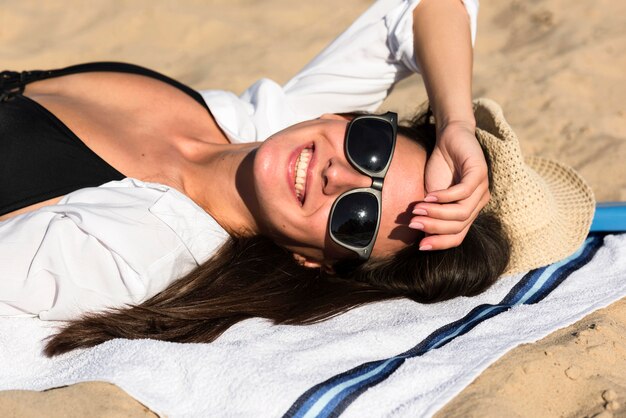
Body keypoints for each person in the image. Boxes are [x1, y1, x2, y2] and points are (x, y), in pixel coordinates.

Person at [0, 0, 594, 356]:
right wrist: (456, 125)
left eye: (356, 216)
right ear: (348, 119)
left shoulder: (133, 248)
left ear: (315, 261)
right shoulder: (261, 125)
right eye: (372, 146)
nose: (340, 175)